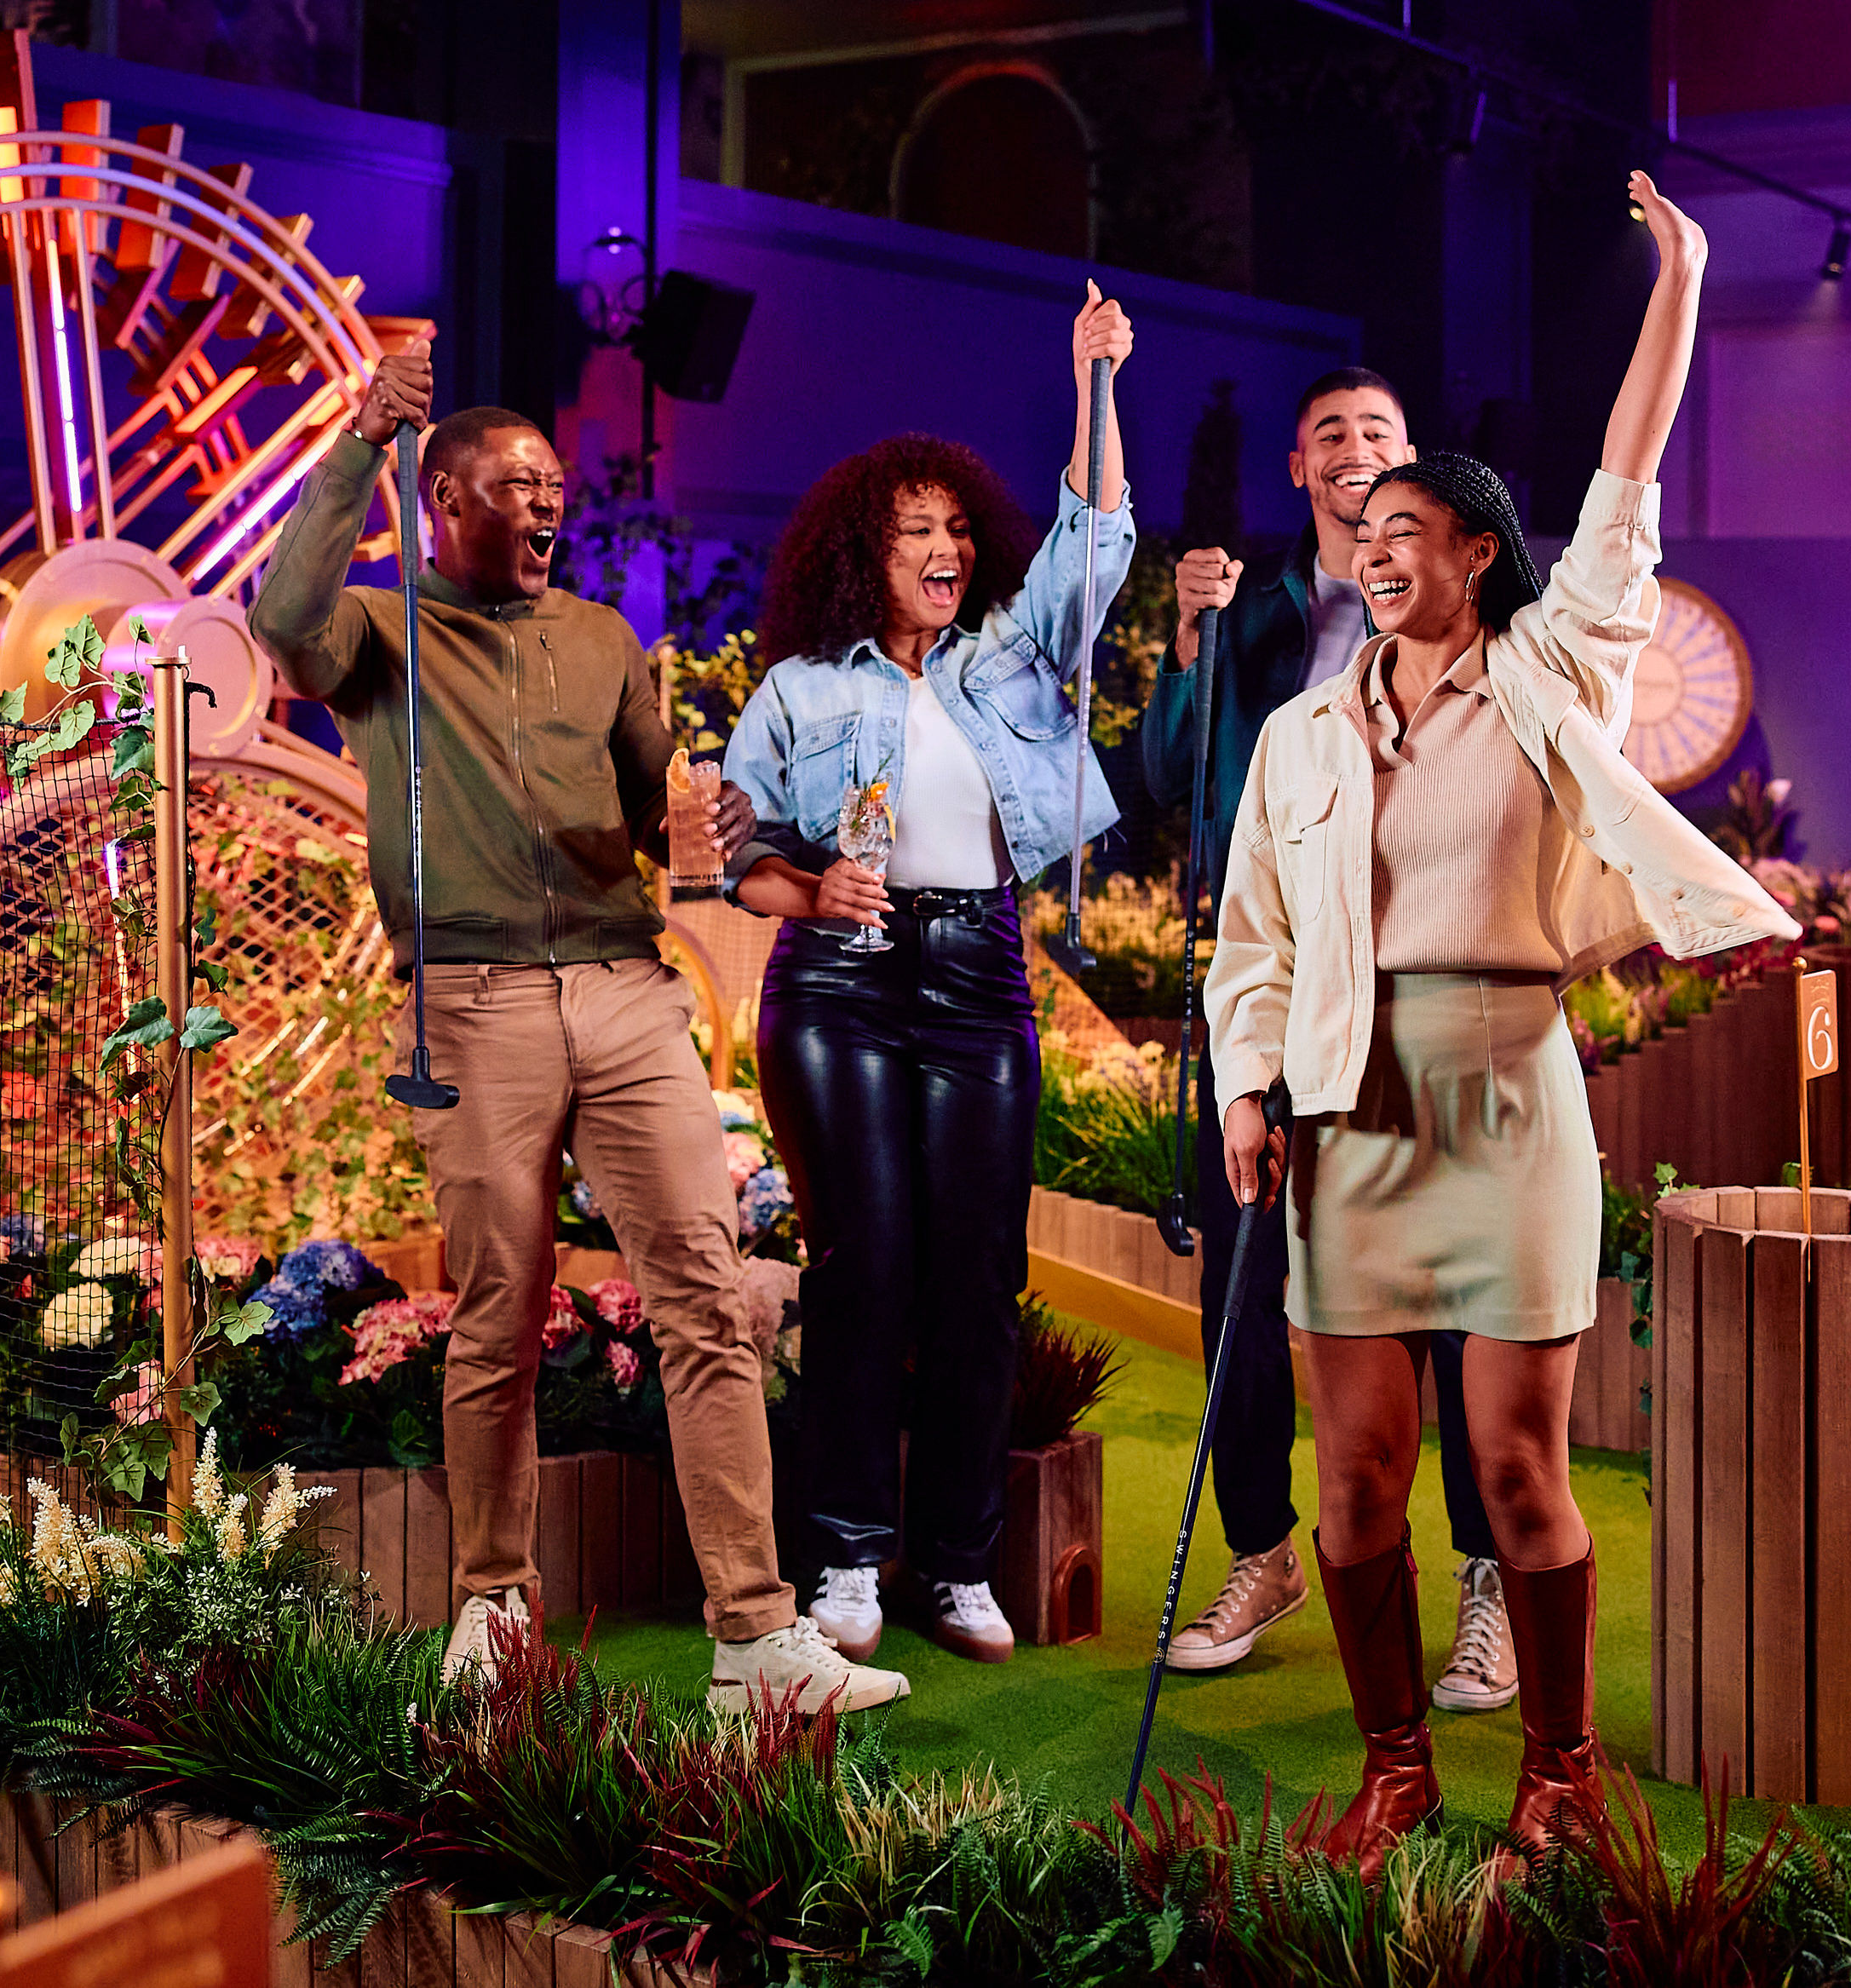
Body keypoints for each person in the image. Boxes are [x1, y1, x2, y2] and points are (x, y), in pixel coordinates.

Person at [1204, 173, 1795, 1864]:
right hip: (1344, 1112)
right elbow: (1249, 942)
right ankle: (1396, 1768)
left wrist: (1676, 277)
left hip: (1514, 1102)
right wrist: (1251, 1089)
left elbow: (1627, 489)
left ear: (1477, 553)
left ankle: (1557, 1769)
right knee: (1357, 1483)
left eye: (1410, 536)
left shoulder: (1549, 677)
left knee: (1518, 1473)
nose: (1377, 554)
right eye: (1361, 538)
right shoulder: (1301, 739)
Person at [248, 342, 909, 1716]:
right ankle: (494, 1604)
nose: (547, 504)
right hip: (475, 1004)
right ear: (442, 496)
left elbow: (667, 807)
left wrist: (722, 821)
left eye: (555, 485)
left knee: (710, 1298)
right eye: (515, 484)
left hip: (625, 989)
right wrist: (360, 436)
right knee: (498, 1310)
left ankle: (753, 1637)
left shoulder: (605, 639)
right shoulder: (379, 630)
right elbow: (280, 611)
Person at [721, 286, 1135, 1665]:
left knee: (978, 1274)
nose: (947, 549)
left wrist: (1096, 384)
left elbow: (1096, 548)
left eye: (959, 528)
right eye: (917, 533)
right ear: (865, 551)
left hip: (980, 979)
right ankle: (844, 1555)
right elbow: (737, 853)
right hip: (839, 983)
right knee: (865, 1265)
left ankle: (956, 1566)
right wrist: (809, 884)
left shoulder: (1006, 660)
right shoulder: (797, 688)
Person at [1143, 372, 1523, 1708]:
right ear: (1302, 471)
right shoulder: (1251, 615)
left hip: (1427, 1002)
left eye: (1379, 435)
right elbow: (1170, 776)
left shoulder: (1480, 630)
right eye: (1331, 438)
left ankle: (1486, 1569)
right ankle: (1261, 1547)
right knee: (1243, 1286)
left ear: (1417, 468)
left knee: (1449, 1293)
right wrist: (1190, 642)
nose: (1356, 455)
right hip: (1274, 986)